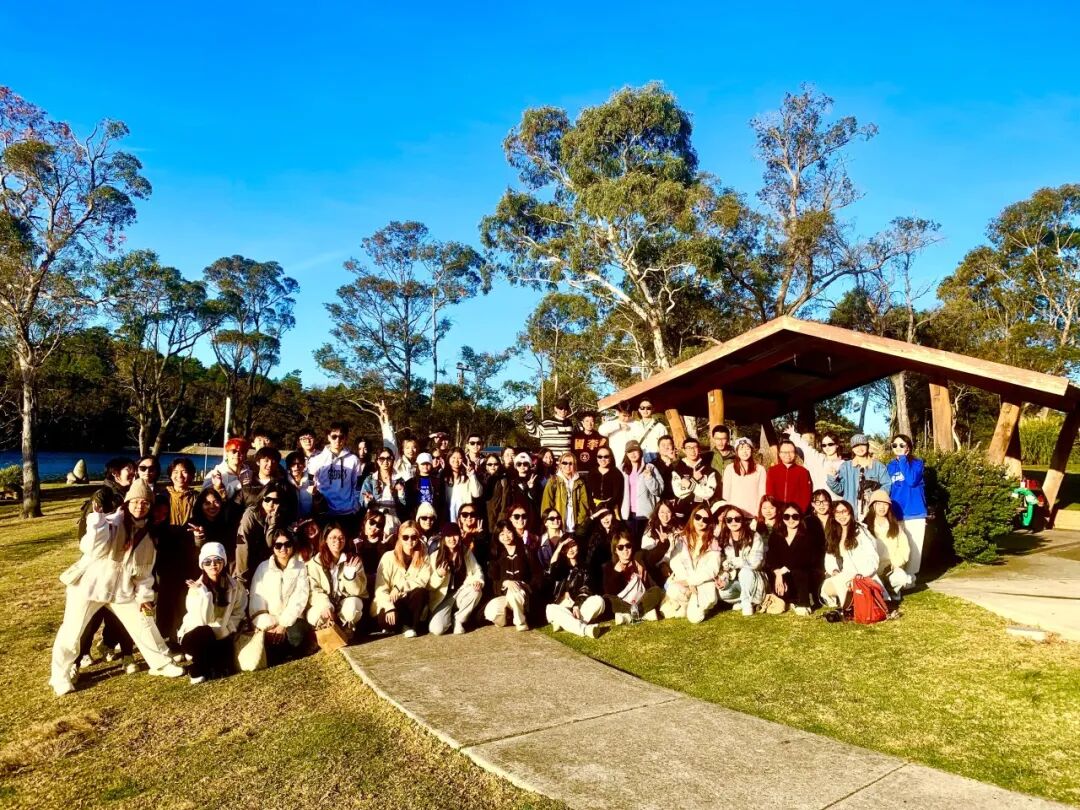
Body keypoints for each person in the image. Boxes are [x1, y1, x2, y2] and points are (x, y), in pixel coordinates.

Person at [50, 479, 185, 695]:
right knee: (72, 631)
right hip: (89, 586)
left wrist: (144, 598)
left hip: (121, 591)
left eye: (145, 503)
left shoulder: (149, 536)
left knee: (144, 623)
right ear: (127, 502)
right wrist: (97, 520)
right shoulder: (111, 522)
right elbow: (91, 547)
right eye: (136, 501)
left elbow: (143, 574)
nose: (140, 506)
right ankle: (60, 676)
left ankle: (160, 664)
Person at [177, 542, 247, 684]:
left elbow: (239, 612)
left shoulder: (235, 586)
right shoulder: (195, 589)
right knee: (205, 632)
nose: (213, 565)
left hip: (222, 633)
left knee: (226, 669)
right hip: (196, 635)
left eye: (217, 560)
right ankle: (197, 668)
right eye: (207, 562)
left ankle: (208, 663)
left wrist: (227, 629)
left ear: (224, 562)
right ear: (202, 565)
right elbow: (202, 620)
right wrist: (205, 595)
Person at [156, 456, 201, 646]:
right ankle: (163, 636)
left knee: (186, 596)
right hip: (166, 553)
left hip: (189, 553)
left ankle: (183, 636)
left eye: (184, 471)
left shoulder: (197, 497)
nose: (180, 476)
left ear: (191, 475)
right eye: (175, 472)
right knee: (166, 596)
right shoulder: (162, 496)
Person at [249, 529, 311, 664]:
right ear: (273, 547)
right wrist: (268, 623)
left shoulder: (300, 567)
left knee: (296, 637)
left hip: (291, 619)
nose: (283, 549)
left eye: (287, 544)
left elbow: (299, 597)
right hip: (269, 620)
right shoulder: (263, 568)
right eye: (278, 545)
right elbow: (256, 598)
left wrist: (283, 624)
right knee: (269, 642)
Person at [305, 522, 367, 637]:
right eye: (333, 537)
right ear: (326, 540)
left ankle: (346, 629)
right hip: (325, 603)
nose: (337, 541)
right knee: (314, 616)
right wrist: (325, 605)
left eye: (341, 537)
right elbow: (313, 590)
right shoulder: (314, 563)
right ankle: (323, 633)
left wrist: (350, 577)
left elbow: (358, 591)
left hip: (344, 602)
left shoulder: (353, 560)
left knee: (353, 607)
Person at [660, 507, 721, 623]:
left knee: (695, 618)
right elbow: (675, 561)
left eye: (705, 519)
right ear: (693, 518)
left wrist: (691, 581)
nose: (701, 521)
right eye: (698, 517)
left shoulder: (713, 542)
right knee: (673, 590)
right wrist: (687, 581)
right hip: (685, 580)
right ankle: (684, 604)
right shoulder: (681, 539)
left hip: (702, 583)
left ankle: (697, 606)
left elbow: (712, 569)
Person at [371, 522, 430, 637]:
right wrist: (389, 606)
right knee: (387, 620)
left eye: (414, 537)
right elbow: (380, 589)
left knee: (421, 592)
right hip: (390, 601)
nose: (410, 540)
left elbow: (422, 581)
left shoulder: (424, 557)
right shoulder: (388, 557)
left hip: (410, 601)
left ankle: (411, 627)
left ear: (418, 538)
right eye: (405, 537)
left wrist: (400, 586)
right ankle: (403, 626)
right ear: (399, 537)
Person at [821, 499, 881, 609]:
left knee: (843, 583)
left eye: (844, 511)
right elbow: (829, 556)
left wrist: (862, 574)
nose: (841, 515)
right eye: (837, 512)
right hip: (842, 575)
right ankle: (852, 602)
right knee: (827, 588)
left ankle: (851, 606)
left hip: (861, 575)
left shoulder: (861, 531)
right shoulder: (834, 533)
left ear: (850, 512)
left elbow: (873, 557)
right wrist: (834, 570)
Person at [484, 519, 542, 630]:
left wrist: (528, 586)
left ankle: (521, 622)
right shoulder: (496, 554)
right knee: (491, 611)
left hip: (523, 595)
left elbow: (537, 574)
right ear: (497, 536)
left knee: (514, 591)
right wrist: (505, 582)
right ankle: (508, 619)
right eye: (502, 534)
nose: (506, 536)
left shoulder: (525, 550)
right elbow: (494, 579)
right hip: (505, 595)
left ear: (513, 532)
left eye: (509, 532)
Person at [307, 421, 363, 537]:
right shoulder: (316, 460)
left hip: (347, 513)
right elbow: (310, 484)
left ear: (346, 438)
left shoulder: (354, 460)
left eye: (341, 437)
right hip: (325, 512)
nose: (337, 440)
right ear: (328, 437)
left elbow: (356, 486)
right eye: (334, 436)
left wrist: (355, 506)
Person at [427, 525, 485, 635]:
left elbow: (477, 570)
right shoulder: (435, 556)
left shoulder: (465, 552)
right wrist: (439, 575)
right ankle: (447, 617)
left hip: (461, 592)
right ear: (443, 538)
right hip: (442, 598)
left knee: (476, 591)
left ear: (459, 536)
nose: (452, 539)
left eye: (455, 535)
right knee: (437, 630)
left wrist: (478, 580)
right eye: (448, 536)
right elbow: (429, 586)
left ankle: (458, 619)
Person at [546, 535, 606, 638]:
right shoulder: (559, 567)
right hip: (561, 606)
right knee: (550, 609)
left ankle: (565, 622)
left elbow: (586, 589)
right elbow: (551, 572)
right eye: (566, 547)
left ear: (578, 546)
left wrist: (577, 604)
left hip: (579, 606)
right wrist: (559, 548)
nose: (570, 550)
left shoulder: (585, 568)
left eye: (573, 545)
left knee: (599, 600)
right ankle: (585, 629)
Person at [765, 503, 818, 616]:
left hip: (803, 577)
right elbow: (771, 556)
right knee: (774, 580)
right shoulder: (776, 535)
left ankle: (804, 603)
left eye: (795, 516)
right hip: (781, 576)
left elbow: (806, 559)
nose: (791, 520)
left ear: (800, 517)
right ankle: (787, 600)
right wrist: (778, 573)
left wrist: (783, 571)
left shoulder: (807, 536)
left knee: (799, 571)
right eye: (786, 516)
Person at [887, 434, 928, 575]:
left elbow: (911, 480)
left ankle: (911, 578)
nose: (897, 447)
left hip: (914, 513)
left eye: (901, 445)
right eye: (894, 445)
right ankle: (898, 577)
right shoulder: (890, 466)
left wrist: (903, 459)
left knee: (915, 549)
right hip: (896, 513)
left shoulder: (917, 463)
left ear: (908, 448)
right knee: (898, 547)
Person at [715, 506, 769, 617]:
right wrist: (724, 579)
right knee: (722, 593)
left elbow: (755, 562)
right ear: (725, 521)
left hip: (754, 579)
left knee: (745, 571)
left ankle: (747, 602)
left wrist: (732, 563)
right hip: (734, 579)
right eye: (729, 519)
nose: (733, 522)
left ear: (742, 520)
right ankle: (742, 600)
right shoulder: (723, 538)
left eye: (737, 519)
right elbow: (724, 566)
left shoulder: (754, 536)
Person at [603, 528, 664, 624]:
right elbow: (610, 591)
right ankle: (642, 613)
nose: (625, 550)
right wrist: (616, 573)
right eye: (620, 547)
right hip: (623, 602)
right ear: (615, 550)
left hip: (642, 599)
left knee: (656, 591)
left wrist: (663, 543)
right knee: (606, 599)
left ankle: (629, 615)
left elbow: (654, 555)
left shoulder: (639, 557)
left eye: (628, 546)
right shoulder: (610, 566)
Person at [863, 490, 915, 600]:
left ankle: (893, 590)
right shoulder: (865, 526)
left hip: (891, 568)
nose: (882, 507)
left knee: (901, 578)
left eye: (885, 504)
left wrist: (896, 564)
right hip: (871, 570)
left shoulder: (895, 526)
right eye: (878, 504)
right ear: (872, 506)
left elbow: (904, 548)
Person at [235, 481, 288, 584]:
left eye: (275, 501)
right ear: (261, 499)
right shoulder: (250, 516)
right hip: (248, 561)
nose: (271, 504)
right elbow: (242, 546)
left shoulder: (278, 516)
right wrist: (242, 578)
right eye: (267, 499)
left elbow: (270, 545)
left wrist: (273, 524)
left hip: (266, 563)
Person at [828, 433, 891, 515]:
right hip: (851, 511)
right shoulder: (846, 466)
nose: (859, 448)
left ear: (867, 446)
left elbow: (887, 485)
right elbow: (840, 489)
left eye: (862, 445)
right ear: (852, 449)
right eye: (856, 446)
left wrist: (874, 495)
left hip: (872, 511)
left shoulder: (879, 466)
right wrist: (832, 478)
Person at [621, 440, 663, 545]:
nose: (633, 454)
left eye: (635, 450)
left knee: (645, 544)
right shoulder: (622, 469)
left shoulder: (650, 467)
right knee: (630, 544)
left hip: (645, 514)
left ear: (640, 452)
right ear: (626, 454)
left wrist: (649, 478)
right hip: (628, 515)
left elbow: (658, 491)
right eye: (630, 451)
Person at [488, 451, 542, 527]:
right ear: (515, 466)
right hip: (515, 517)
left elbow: (537, 500)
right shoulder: (511, 481)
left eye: (525, 464)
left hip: (530, 516)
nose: (522, 466)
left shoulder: (535, 480)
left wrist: (531, 488)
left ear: (529, 465)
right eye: (519, 464)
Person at [785, 427, 843, 498]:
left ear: (837, 445)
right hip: (818, 501)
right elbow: (806, 448)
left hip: (837, 501)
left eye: (830, 444)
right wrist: (793, 434)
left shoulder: (844, 464)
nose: (827, 447)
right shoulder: (818, 459)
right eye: (824, 445)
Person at [541, 453, 590, 537]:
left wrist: (580, 522)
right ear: (560, 464)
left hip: (575, 526)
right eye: (565, 463)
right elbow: (546, 504)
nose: (568, 466)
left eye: (571, 463)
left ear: (574, 465)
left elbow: (584, 505)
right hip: (558, 525)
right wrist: (550, 523)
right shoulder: (553, 481)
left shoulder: (580, 482)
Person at [359, 447, 407, 533]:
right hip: (375, 519)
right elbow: (362, 504)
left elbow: (404, 505)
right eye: (382, 459)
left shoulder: (399, 480)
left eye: (389, 458)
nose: (385, 462)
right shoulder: (370, 479)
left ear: (393, 460)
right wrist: (367, 500)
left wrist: (401, 494)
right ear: (377, 460)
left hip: (393, 518)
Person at [671, 438, 718, 519]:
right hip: (682, 511)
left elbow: (708, 493)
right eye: (689, 448)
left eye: (695, 447)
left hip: (702, 512)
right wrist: (694, 480)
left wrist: (690, 485)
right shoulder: (677, 469)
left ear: (699, 449)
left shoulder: (709, 470)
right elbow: (678, 492)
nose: (692, 451)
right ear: (684, 450)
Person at [722, 437, 767, 517]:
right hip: (734, 515)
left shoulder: (760, 469)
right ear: (736, 452)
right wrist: (727, 512)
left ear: (751, 450)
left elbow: (762, 493)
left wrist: (758, 514)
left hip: (753, 514)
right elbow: (726, 494)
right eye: (741, 448)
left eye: (747, 448)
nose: (744, 452)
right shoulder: (730, 469)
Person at [766, 440, 813, 514]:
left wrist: (798, 512)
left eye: (791, 452)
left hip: (796, 513)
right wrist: (775, 510)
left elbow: (806, 496)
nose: (788, 455)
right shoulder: (772, 471)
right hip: (777, 512)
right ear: (779, 454)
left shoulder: (803, 472)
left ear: (795, 453)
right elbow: (770, 493)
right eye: (784, 452)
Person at [639, 500, 678, 586]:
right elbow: (648, 556)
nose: (665, 515)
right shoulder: (650, 531)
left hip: (674, 566)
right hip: (657, 571)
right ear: (657, 513)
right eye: (662, 512)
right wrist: (662, 564)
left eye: (668, 512)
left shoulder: (676, 529)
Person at [583, 507, 618, 592]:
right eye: (602, 516)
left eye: (608, 515)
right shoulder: (594, 532)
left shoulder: (618, 531)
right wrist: (594, 516)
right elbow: (579, 532)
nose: (605, 519)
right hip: (595, 572)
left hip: (612, 571)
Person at [444, 447, 482, 523]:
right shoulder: (444, 477)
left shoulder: (467, 477)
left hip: (465, 517)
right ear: (448, 458)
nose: (456, 460)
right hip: (448, 517)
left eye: (459, 458)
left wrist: (472, 475)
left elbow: (477, 494)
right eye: (453, 457)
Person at [405, 452, 446, 519]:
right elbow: (408, 503)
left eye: (428, 464)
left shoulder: (438, 481)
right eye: (423, 464)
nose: (425, 466)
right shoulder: (410, 482)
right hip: (417, 515)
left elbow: (442, 502)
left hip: (433, 515)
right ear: (418, 465)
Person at [284, 450, 322, 522]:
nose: (296, 467)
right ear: (288, 466)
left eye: (299, 463)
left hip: (309, 522)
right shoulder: (284, 482)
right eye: (293, 464)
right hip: (290, 523)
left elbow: (321, 506)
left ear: (304, 465)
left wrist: (316, 494)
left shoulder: (312, 480)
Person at [586, 446, 624, 514]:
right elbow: (588, 493)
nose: (603, 459)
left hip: (611, 509)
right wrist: (592, 506)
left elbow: (617, 495)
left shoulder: (617, 474)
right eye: (600, 457)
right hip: (595, 508)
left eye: (606, 457)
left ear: (610, 457)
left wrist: (606, 505)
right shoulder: (591, 473)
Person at [598, 400, 635, 468]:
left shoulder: (634, 424)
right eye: (624, 416)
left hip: (632, 459)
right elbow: (601, 430)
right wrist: (619, 426)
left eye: (628, 416)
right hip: (616, 459)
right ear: (618, 412)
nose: (626, 418)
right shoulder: (612, 423)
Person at [653, 435, 679, 500]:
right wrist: (667, 464)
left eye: (669, 444)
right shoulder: (653, 465)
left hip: (679, 499)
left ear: (673, 447)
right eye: (663, 445)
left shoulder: (680, 462)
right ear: (658, 449)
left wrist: (674, 460)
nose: (666, 447)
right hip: (663, 500)